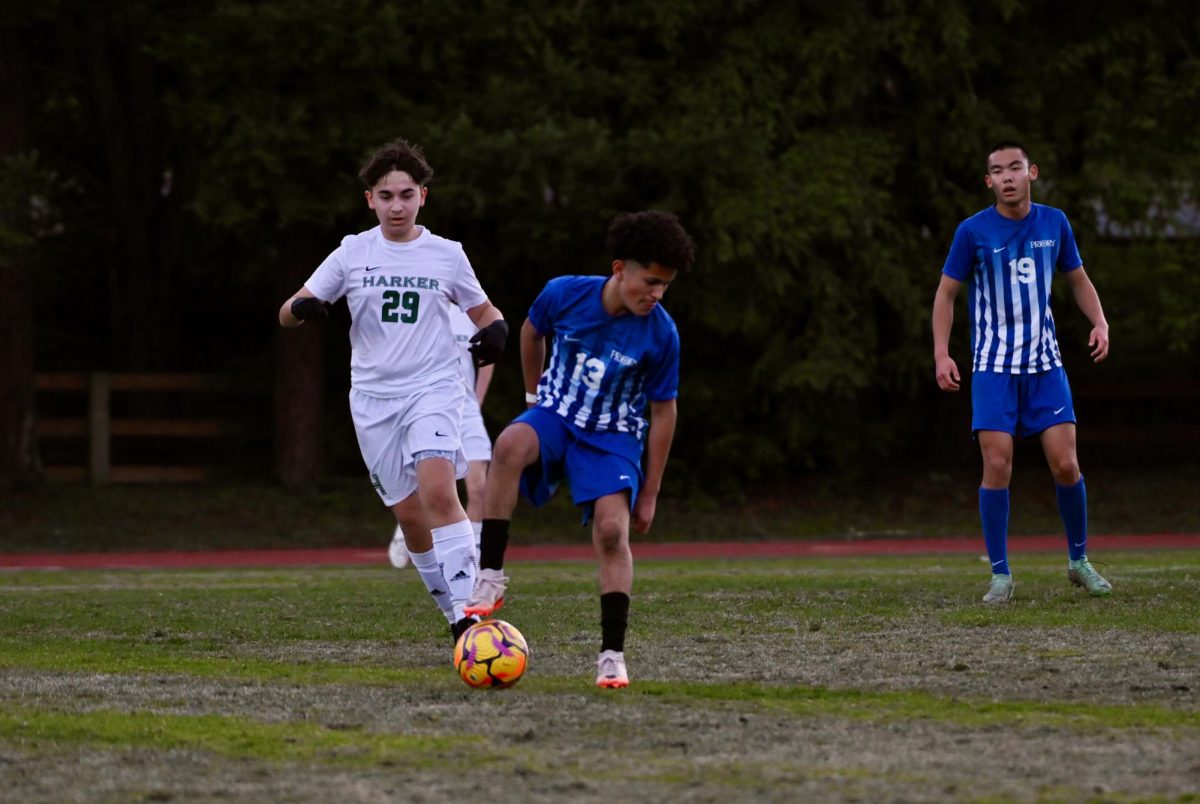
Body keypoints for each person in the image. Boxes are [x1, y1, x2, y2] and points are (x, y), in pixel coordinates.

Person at [278, 137, 508, 642]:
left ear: (423, 196)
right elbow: (288, 310)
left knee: (438, 490)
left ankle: (474, 612)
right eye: (386, 196)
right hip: (374, 402)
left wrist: (496, 328)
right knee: (409, 517)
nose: (396, 205)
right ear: (370, 201)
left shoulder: (447, 254)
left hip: (433, 389)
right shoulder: (352, 252)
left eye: (407, 194)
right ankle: (454, 617)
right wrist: (304, 308)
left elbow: (483, 310)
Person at [464, 210, 695, 688]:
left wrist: (650, 493)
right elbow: (530, 332)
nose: (655, 294)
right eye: (650, 281)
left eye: (664, 286)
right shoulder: (565, 293)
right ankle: (490, 576)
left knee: (613, 532)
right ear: (619, 269)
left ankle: (611, 655)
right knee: (508, 443)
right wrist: (533, 398)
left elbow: (664, 413)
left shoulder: (661, 333)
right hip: (557, 415)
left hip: (613, 436)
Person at [932, 140, 1113, 605]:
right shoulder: (972, 232)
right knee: (997, 465)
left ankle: (1078, 561)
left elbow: (1077, 279)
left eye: (1016, 167)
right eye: (998, 170)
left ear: (1031, 172)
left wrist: (1100, 321)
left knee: (1067, 464)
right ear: (988, 181)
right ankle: (1000, 575)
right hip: (992, 367)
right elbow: (946, 294)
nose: (1008, 176)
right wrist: (941, 353)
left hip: (1045, 365)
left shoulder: (1055, 222)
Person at [389, 301, 494, 568]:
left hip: (465, 408)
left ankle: (473, 555)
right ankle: (408, 531)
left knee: (479, 486)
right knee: (429, 485)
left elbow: (487, 357)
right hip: (430, 405)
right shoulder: (419, 307)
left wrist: (476, 400)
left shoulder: (470, 310)